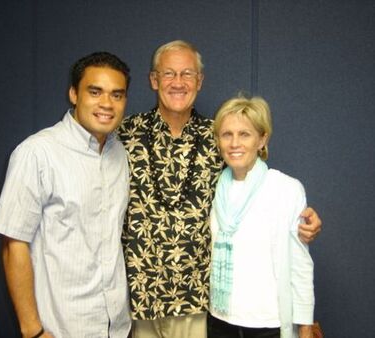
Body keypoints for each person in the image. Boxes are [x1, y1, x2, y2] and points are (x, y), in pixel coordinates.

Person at [117, 40, 321, 338]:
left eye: (187, 74)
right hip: (141, 297)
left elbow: (259, 191)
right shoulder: (125, 134)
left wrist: (302, 223)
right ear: (153, 79)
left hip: (198, 303)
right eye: (169, 73)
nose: (178, 82)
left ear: (199, 81)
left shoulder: (216, 137)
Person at [0, 52, 132, 338]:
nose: (107, 103)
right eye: (95, 92)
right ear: (73, 94)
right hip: (62, 328)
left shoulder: (120, 154)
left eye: (117, 95)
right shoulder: (37, 153)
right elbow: (13, 245)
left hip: (116, 326)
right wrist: (33, 331)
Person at [208, 95, 314, 338]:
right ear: (218, 140)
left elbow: (300, 263)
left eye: (244, 134)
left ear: (262, 138)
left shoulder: (286, 188)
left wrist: (305, 326)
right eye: (227, 134)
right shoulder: (213, 189)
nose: (235, 143)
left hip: (269, 324)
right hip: (220, 320)